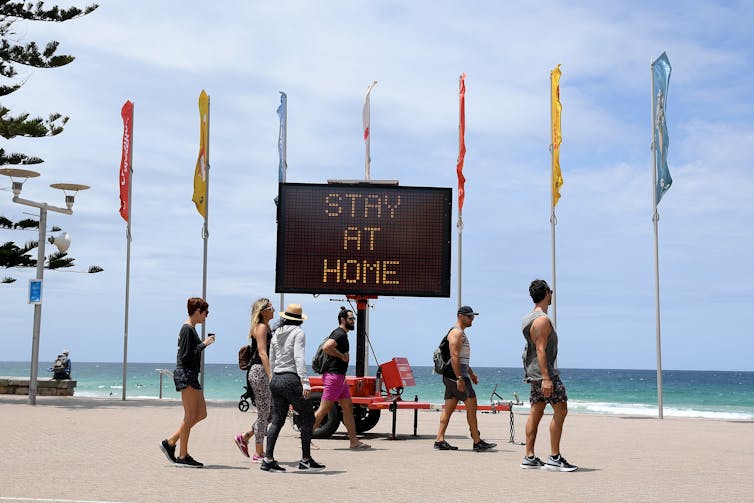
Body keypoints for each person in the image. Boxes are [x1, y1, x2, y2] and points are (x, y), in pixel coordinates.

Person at [520, 280, 578, 471]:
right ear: (546, 293)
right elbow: (540, 349)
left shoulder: (528, 318)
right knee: (561, 410)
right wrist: (546, 378)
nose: (552, 294)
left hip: (533, 373)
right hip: (544, 374)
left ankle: (529, 457)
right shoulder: (542, 320)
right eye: (550, 291)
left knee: (536, 412)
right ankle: (554, 457)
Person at [262, 303, 325, 472]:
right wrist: (305, 382)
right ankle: (305, 460)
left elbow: (272, 358)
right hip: (291, 379)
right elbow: (299, 358)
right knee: (308, 418)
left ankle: (268, 459)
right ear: (299, 320)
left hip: (276, 379)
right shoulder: (298, 333)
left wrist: (272, 378)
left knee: (277, 420)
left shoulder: (276, 334)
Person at [160, 297, 216, 468]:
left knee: (201, 413)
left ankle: (171, 442)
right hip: (186, 374)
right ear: (198, 311)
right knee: (190, 415)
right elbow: (185, 356)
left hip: (191, 374)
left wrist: (202, 345)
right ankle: (183, 455)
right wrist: (203, 344)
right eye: (206, 312)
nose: (207, 316)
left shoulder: (191, 330)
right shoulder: (187, 330)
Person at [434, 306, 497, 452]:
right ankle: (477, 441)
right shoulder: (456, 333)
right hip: (455, 376)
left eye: (473, 317)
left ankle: (439, 440)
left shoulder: (459, 333)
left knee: (448, 408)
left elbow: (460, 359)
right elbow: (454, 356)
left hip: (452, 376)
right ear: (460, 316)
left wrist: (471, 373)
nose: (472, 320)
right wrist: (460, 378)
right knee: (471, 404)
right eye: (469, 317)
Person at [312, 306, 371, 449]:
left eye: (354, 319)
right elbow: (327, 347)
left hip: (339, 378)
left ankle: (354, 441)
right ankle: (306, 437)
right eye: (351, 319)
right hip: (334, 377)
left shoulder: (341, 334)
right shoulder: (340, 334)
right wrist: (342, 356)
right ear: (343, 320)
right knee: (324, 409)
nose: (353, 321)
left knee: (348, 407)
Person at [234, 298, 275, 463]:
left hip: (261, 371)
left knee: (270, 413)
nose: (273, 309)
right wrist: (270, 374)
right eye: (270, 307)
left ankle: (245, 436)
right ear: (263, 311)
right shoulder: (261, 327)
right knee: (264, 412)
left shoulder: (266, 326)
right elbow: (262, 353)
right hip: (260, 371)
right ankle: (259, 452)